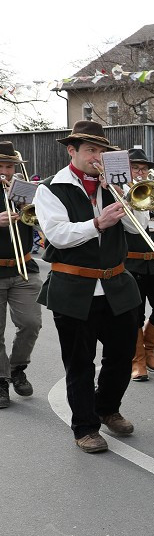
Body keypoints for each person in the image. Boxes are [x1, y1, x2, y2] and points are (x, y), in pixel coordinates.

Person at [36, 121, 148, 453]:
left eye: (101, 150)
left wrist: (121, 193)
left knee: (122, 355)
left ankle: (107, 407)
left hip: (116, 285)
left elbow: (136, 227)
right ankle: (85, 427)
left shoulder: (112, 185)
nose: (96, 157)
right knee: (80, 363)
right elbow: (57, 235)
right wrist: (97, 223)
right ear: (72, 151)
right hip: (73, 287)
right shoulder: (51, 189)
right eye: (90, 150)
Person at [0, 141, 43, 409]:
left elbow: (41, 220)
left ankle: (17, 368)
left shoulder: (26, 190)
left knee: (31, 323)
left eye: (10, 166)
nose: (6, 171)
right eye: (1, 166)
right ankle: (1, 381)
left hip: (23, 268)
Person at [125, 148, 154, 382]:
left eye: (144, 169)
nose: (141, 172)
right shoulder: (122, 193)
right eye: (136, 168)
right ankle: (138, 360)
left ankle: (150, 350)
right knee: (135, 314)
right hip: (132, 263)